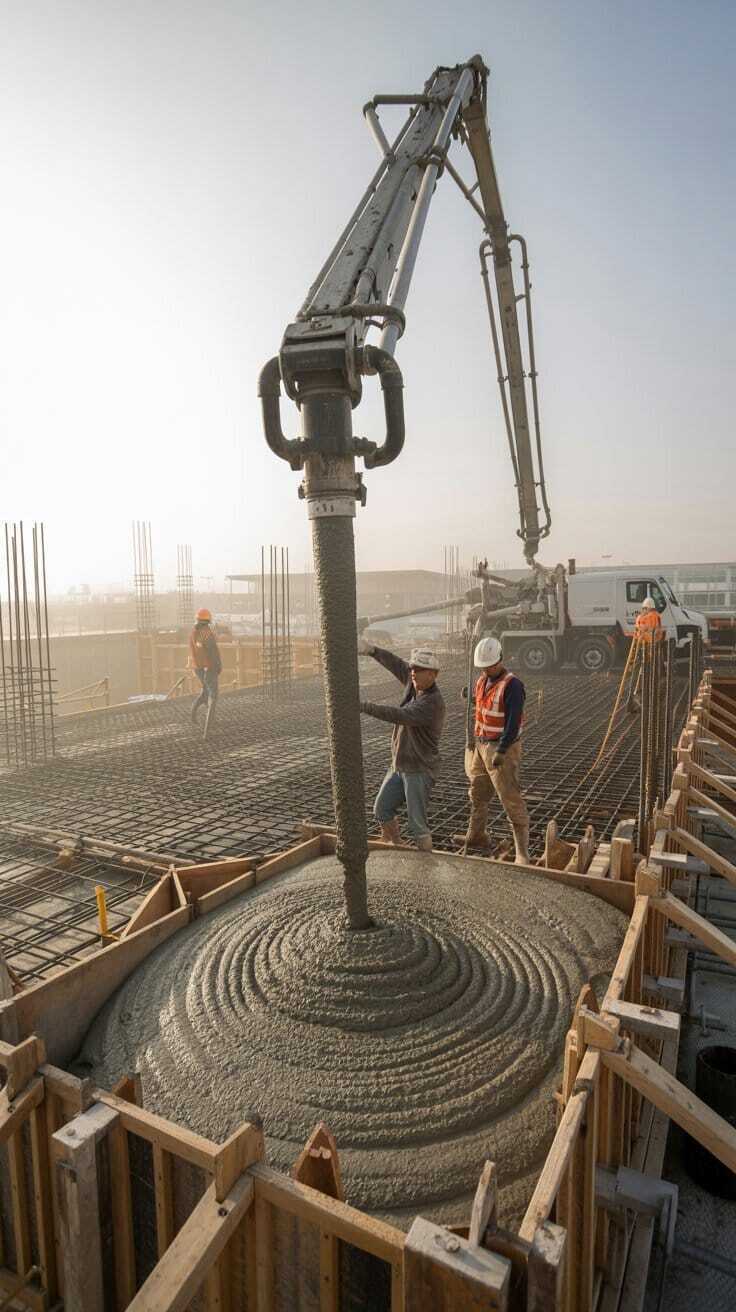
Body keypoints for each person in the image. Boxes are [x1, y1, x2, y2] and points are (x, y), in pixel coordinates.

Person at [358, 640, 445, 851]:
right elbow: (397, 663)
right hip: (399, 764)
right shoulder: (414, 683)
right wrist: (373, 650)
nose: (413, 672)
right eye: (413, 668)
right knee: (382, 808)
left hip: (418, 768)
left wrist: (363, 706)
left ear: (433, 674)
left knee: (417, 825)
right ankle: (395, 844)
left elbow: (400, 715)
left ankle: (426, 866)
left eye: (419, 670)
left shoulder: (432, 703)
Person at [464, 636, 530, 864]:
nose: (486, 669)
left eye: (490, 666)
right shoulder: (482, 680)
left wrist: (502, 750)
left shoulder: (513, 685)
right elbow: (487, 704)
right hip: (481, 744)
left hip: (502, 747)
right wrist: (472, 698)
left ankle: (522, 852)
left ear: (500, 660)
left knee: (509, 796)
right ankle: (476, 835)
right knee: (478, 792)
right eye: (483, 667)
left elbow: (513, 721)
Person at [189, 608, 222, 739]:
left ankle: (193, 717)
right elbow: (213, 653)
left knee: (205, 692)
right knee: (213, 697)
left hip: (198, 669)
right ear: (208, 621)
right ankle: (207, 731)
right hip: (209, 668)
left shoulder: (193, 633)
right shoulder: (207, 634)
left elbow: (196, 651)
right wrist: (218, 666)